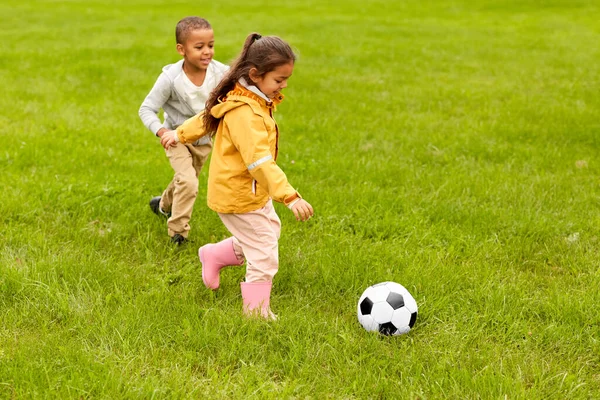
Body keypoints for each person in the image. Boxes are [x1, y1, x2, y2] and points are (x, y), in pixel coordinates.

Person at [166, 32, 314, 319]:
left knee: (268, 233)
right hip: (239, 192)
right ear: (256, 74)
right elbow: (259, 161)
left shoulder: (244, 97)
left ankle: (214, 255)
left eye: (286, 80)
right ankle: (255, 313)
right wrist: (290, 197)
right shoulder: (244, 111)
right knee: (264, 252)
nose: (283, 87)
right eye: (279, 80)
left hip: (251, 190)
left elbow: (207, 116)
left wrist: (179, 133)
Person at [138, 16, 228, 244]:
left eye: (211, 45)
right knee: (188, 182)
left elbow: (243, 80)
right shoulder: (170, 78)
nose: (207, 52)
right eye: (199, 47)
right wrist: (162, 132)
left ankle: (162, 205)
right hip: (176, 139)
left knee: (185, 180)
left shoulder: (220, 73)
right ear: (181, 49)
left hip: (203, 140)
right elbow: (147, 109)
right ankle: (178, 233)